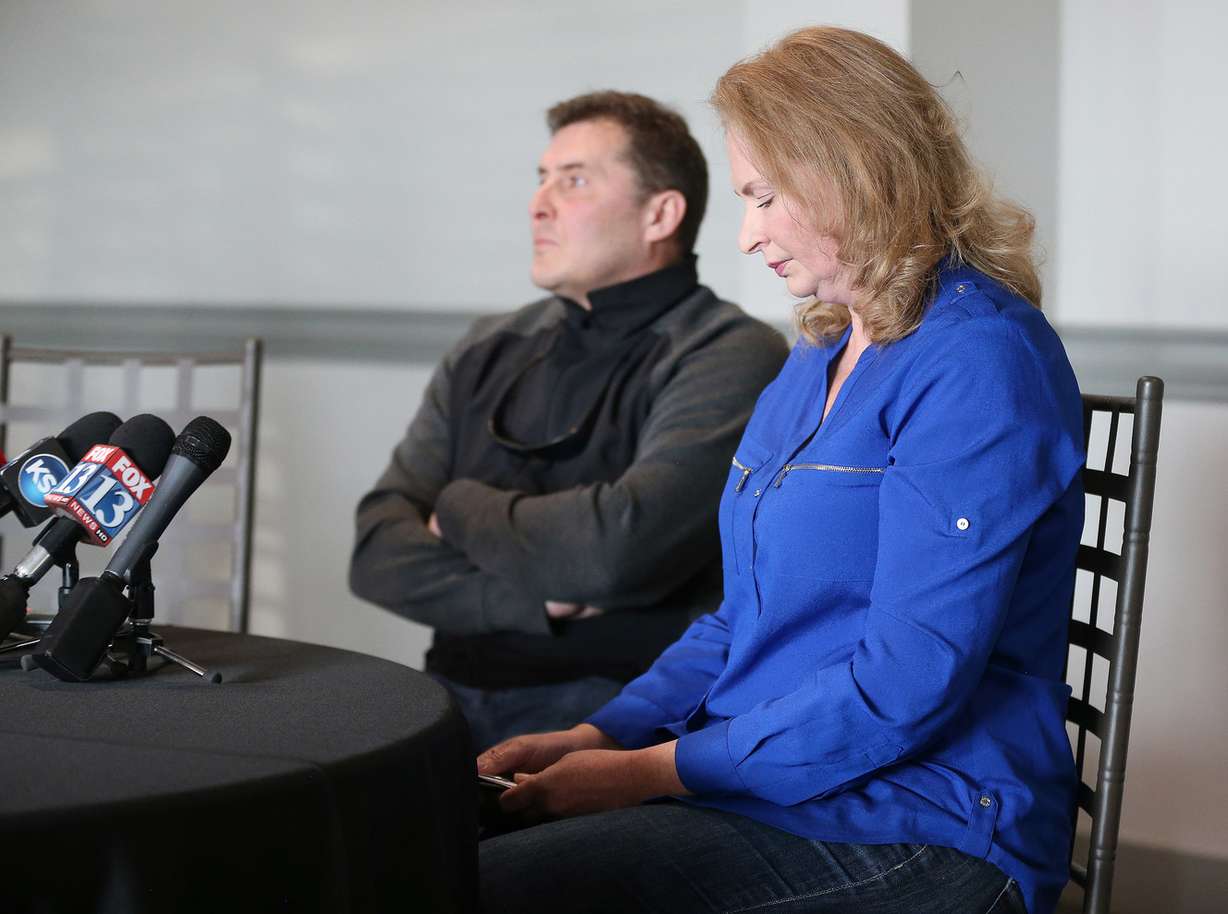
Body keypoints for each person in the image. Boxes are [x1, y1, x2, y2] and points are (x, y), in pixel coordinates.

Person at [477, 27, 1084, 914]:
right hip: (787, 792)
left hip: (927, 822)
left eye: (763, 197)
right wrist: (603, 730)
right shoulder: (823, 349)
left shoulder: (979, 361)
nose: (749, 235)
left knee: (490, 887)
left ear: (853, 169)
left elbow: (902, 686)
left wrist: (647, 772)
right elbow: (743, 619)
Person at [349, 91, 788, 752]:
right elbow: (376, 552)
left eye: (574, 181)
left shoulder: (729, 352)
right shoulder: (487, 345)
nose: (539, 204)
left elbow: (618, 551)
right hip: (447, 701)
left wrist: (458, 508)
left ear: (660, 214)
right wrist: (538, 601)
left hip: (619, 718)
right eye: (542, 180)